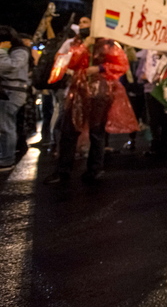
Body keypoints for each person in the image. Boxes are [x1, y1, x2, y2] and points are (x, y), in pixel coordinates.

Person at [44, 18, 136, 184]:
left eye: (86, 22)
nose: (82, 25)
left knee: (96, 132)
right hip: (78, 91)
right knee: (69, 130)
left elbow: (121, 65)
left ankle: (94, 169)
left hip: (100, 92)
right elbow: (68, 63)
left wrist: (100, 68)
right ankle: (62, 171)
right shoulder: (75, 43)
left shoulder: (109, 44)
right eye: (80, 23)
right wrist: (85, 45)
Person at [0, 26, 30, 171]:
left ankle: (7, 160)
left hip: (12, 91)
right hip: (8, 91)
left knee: (6, 126)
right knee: (5, 126)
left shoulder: (20, 51)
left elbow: (11, 67)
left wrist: (1, 51)